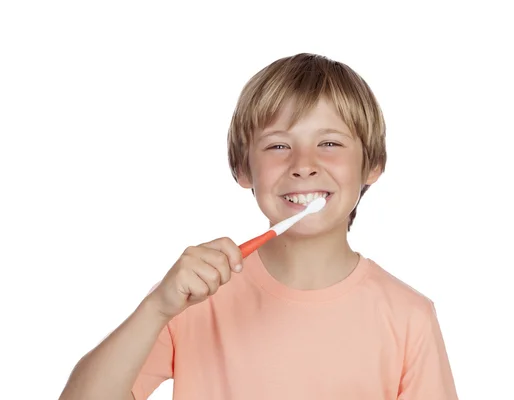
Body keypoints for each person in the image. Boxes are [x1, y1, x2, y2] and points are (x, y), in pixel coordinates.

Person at [59, 53, 459, 400]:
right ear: (242, 168)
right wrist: (156, 309)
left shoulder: (410, 317)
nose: (303, 164)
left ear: (372, 166)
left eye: (330, 143)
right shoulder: (196, 297)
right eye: (278, 145)